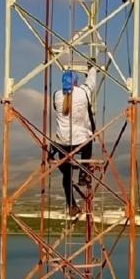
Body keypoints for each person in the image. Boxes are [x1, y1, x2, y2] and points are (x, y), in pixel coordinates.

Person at [52, 60, 98, 217]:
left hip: (62, 143)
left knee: (66, 175)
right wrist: (92, 68)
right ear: (76, 83)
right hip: (81, 141)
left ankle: (71, 205)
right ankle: (84, 174)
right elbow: (91, 83)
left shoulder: (57, 95)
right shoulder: (83, 93)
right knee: (89, 140)